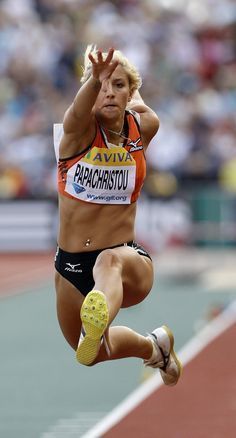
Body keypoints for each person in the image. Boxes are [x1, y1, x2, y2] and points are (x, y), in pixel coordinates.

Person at [54, 45, 182, 386]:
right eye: (102, 85)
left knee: (107, 261)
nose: (110, 91)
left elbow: (143, 107)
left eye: (119, 85)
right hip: (70, 267)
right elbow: (76, 113)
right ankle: (155, 348)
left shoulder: (143, 128)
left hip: (126, 263)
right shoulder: (77, 133)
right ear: (90, 89)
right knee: (91, 352)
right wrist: (97, 78)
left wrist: (126, 78)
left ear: (130, 93)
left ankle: (100, 313)